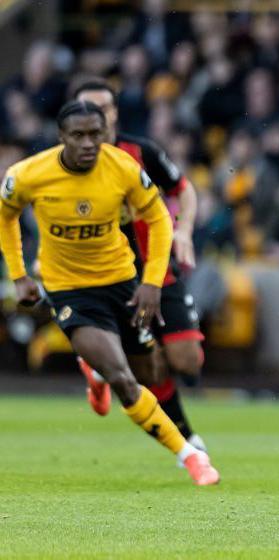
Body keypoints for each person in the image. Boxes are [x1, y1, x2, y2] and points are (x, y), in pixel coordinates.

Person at [0, 100, 219, 485]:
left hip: (122, 282)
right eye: (78, 136)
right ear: (61, 137)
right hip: (69, 290)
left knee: (149, 370)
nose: (88, 143)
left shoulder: (123, 168)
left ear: (106, 134)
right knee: (123, 377)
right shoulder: (28, 175)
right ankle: (190, 455)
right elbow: (6, 216)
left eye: (95, 135)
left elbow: (158, 217)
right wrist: (19, 275)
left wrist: (151, 282)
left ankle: (95, 372)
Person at [72, 79, 208, 459]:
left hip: (159, 268)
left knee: (187, 361)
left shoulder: (140, 151)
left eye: (102, 108)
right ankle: (185, 437)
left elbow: (183, 188)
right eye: (86, 108)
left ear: (115, 113)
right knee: (147, 367)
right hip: (114, 277)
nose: (95, 116)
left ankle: (99, 367)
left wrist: (183, 229)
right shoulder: (67, 163)